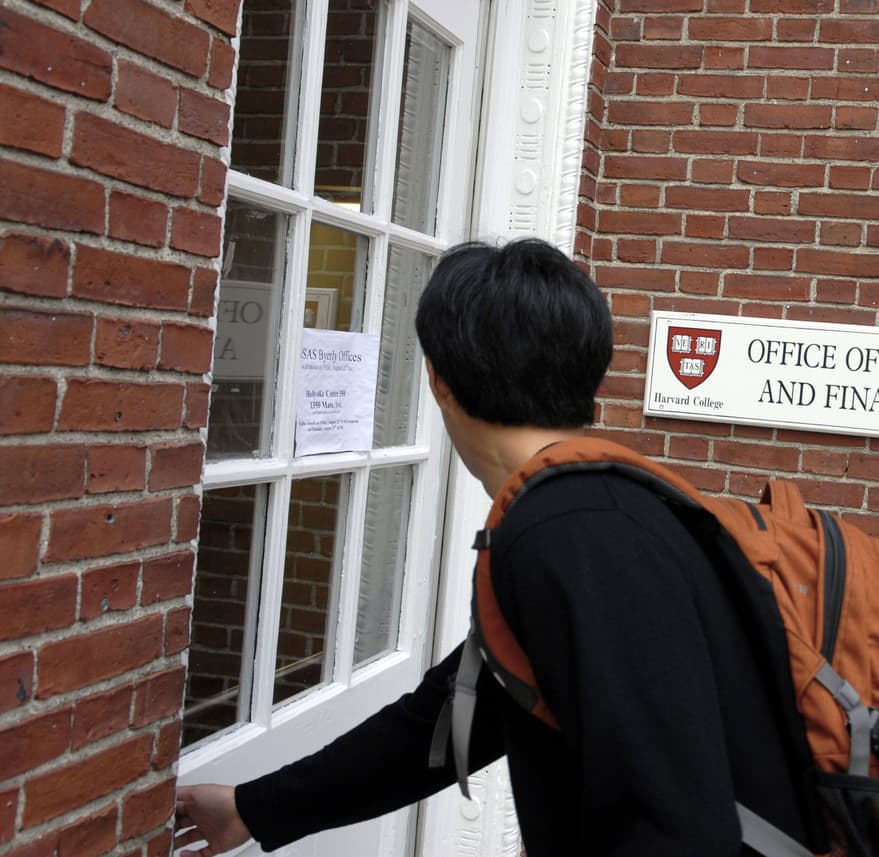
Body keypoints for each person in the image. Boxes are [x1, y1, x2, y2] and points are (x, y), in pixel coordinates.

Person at [174, 238, 815, 856]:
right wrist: (254, 808)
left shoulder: (568, 533)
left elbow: (675, 828)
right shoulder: (597, 507)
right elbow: (453, 716)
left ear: (438, 379)